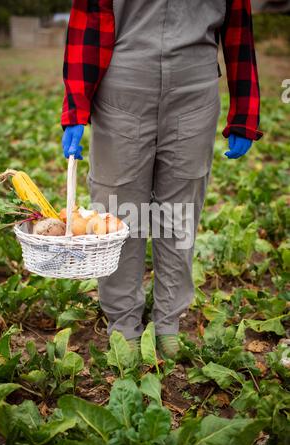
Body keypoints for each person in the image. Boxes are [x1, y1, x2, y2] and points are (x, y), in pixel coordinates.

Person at [61, 0, 262, 359]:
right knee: (117, 209)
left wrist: (244, 110)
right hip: (123, 84)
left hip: (195, 88)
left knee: (180, 206)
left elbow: (238, 30)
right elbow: (89, 20)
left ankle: (169, 320)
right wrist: (76, 105)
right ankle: (123, 323)